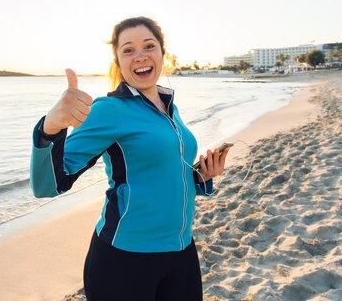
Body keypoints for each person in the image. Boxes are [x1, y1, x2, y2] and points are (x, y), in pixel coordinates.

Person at [30, 16, 229, 301]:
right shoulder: (109, 110)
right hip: (125, 260)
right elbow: (49, 185)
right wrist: (50, 127)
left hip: (182, 251)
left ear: (162, 54)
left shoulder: (168, 105)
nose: (140, 56)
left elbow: (162, 173)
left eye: (149, 46)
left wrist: (202, 177)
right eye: (128, 50)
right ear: (118, 63)